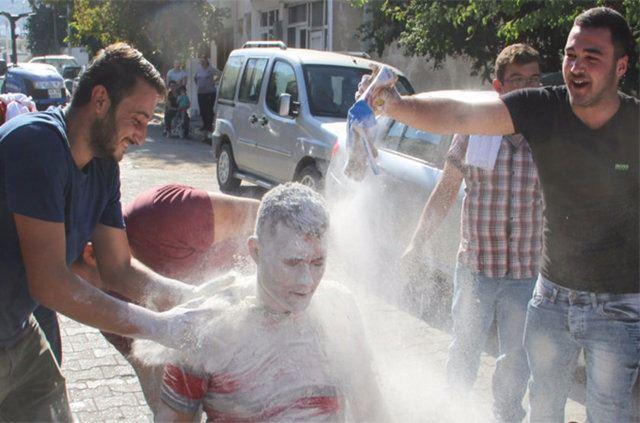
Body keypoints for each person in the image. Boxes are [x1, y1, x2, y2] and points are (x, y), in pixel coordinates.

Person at [364, 7, 638, 423]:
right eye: (570, 55)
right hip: (550, 298)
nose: (576, 67)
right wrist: (395, 105)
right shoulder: (544, 109)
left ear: (621, 66)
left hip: (617, 306)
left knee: (608, 413)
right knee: (542, 408)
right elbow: (462, 113)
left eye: (591, 57)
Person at [0, 43, 214, 421]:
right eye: (137, 119)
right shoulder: (36, 144)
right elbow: (50, 283)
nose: (143, 136)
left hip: (17, 330)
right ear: (100, 99)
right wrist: (161, 327)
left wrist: (198, 300)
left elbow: (119, 269)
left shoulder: (103, 167)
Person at [138, 183, 387, 422]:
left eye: (317, 262)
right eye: (292, 262)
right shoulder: (206, 328)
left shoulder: (340, 308)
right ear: (256, 251)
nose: (306, 281)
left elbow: (371, 409)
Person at [402, 43, 543, 422]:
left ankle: (507, 417)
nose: (527, 89)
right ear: (498, 87)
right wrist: (418, 241)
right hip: (477, 269)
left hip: (526, 274)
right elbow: (446, 189)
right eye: (517, 81)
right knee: (463, 352)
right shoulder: (476, 128)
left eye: (534, 80)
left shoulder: (547, 135)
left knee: (516, 361)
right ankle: (453, 414)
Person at [71, 183, 260, 414]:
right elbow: (161, 395)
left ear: (90, 254)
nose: (66, 297)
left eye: (63, 278)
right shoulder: (110, 313)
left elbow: (272, 219)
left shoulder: (164, 215)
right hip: (232, 359)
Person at [194, 56, 220, 133]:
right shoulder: (199, 69)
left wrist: (213, 81)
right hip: (200, 92)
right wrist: (198, 84)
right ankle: (204, 125)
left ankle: (209, 126)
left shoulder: (211, 69)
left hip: (210, 92)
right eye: (201, 61)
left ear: (206, 62)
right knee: (202, 109)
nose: (201, 62)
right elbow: (195, 78)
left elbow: (220, 74)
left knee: (209, 109)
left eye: (203, 61)